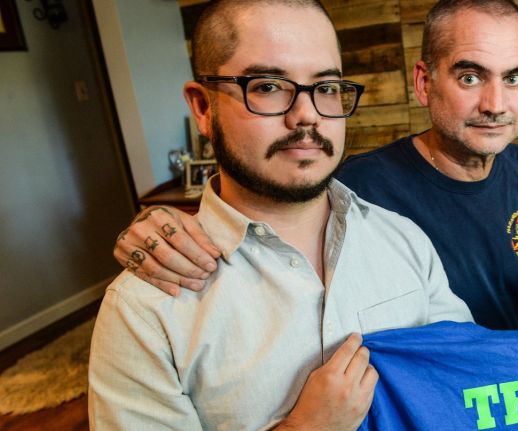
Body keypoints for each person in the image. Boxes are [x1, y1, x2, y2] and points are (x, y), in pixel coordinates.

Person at [112, 0, 518, 428]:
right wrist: (157, 223)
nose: (495, 104)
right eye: (267, 86)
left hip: (484, 386)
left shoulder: (417, 229)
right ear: (424, 82)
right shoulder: (361, 187)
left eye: (513, 78)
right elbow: (272, 193)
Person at [88, 1, 473, 429]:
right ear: (203, 107)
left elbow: (462, 390)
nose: (307, 114)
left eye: (326, 88)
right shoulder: (144, 311)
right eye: (268, 86)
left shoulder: (405, 240)